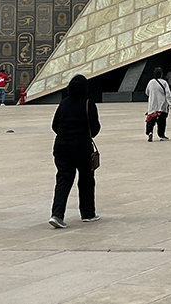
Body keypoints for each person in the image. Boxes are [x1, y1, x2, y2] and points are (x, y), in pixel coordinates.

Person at [49, 74, 101, 228]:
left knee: (63, 179)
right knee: (86, 179)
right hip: (81, 146)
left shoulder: (64, 103)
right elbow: (95, 128)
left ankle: (57, 215)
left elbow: (54, 125)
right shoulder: (88, 103)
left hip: (61, 145)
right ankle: (88, 213)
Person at [145, 67, 171, 141]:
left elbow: (147, 92)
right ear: (161, 74)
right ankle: (161, 135)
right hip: (162, 105)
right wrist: (170, 103)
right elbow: (168, 94)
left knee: (151, 120)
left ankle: (150, 132)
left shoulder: (151, 82)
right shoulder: (164, 82)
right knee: (161, 121)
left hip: (152, 105)